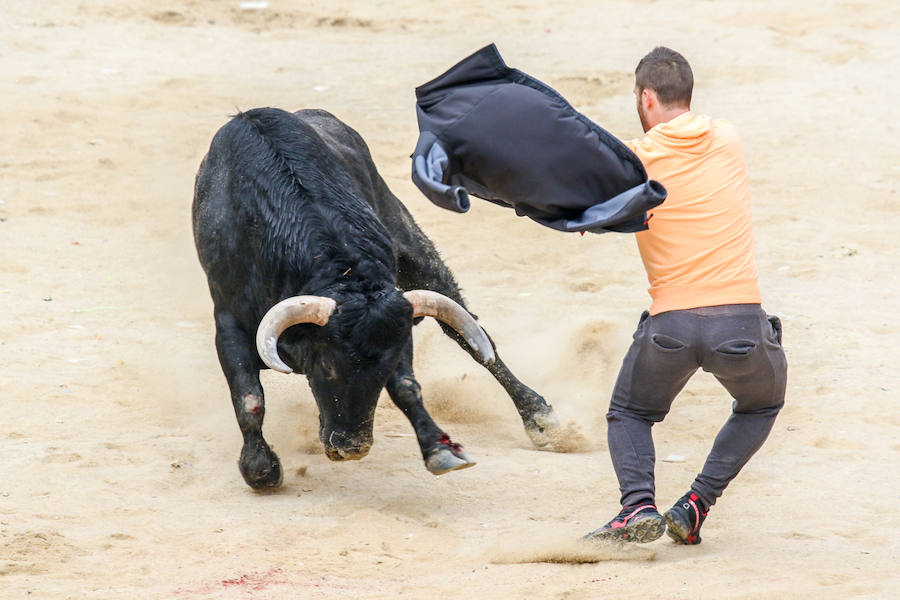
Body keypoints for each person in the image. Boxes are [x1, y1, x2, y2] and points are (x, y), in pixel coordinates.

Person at [583, 47, 788, 545]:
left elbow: (585, 208)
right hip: (740, 323)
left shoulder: (633, 160)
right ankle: (696, 504)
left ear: (646, 97)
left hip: (670, 326)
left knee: (630, 413)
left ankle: (637, 508)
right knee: (761, 403)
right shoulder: (728, 138)